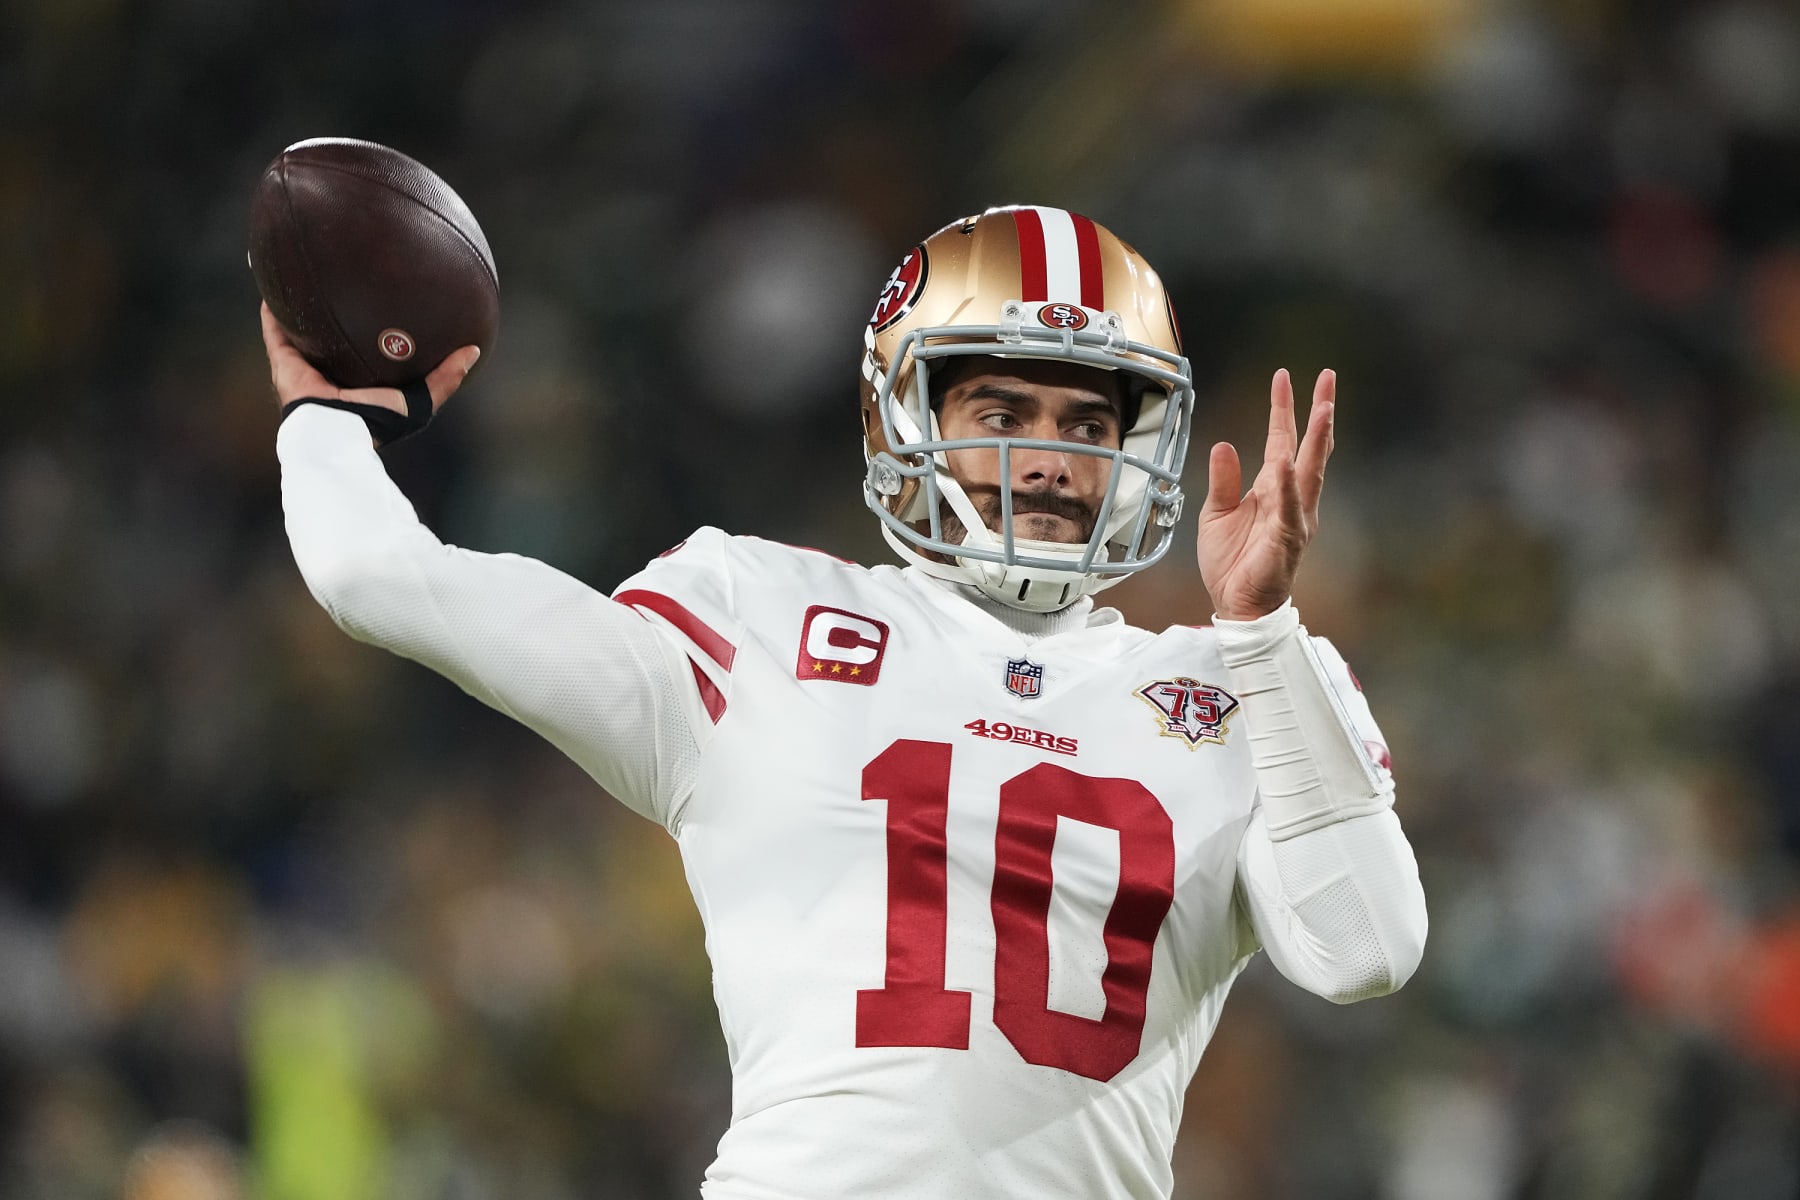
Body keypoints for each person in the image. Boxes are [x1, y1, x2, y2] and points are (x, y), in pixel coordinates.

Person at [264, 204, 1427, 1199]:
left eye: (1088, 423)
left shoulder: (1244, 685)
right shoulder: (756, 614)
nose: (1054, 461)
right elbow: (381, 576)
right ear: (909, 418)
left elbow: (1365, 952)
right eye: (1003, 414)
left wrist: (1265, 633)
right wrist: (328, 409)